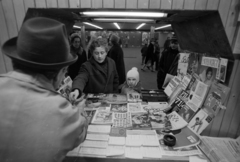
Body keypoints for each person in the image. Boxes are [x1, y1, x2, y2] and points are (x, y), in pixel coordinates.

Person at [0, 17, 88, 162]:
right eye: (65, 72)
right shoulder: (62, 112)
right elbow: (80, 132)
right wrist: (79, 111)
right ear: (61, 72)